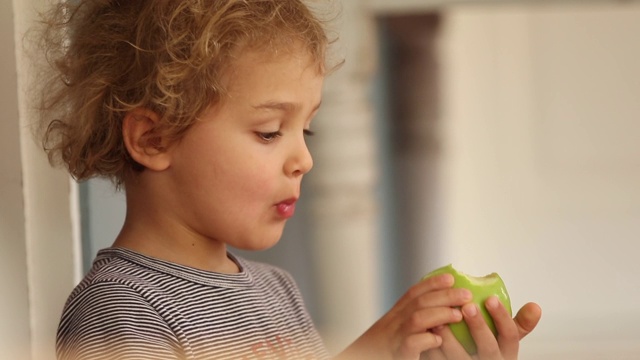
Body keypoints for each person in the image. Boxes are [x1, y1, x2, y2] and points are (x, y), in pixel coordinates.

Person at [34, 0, 541, 359]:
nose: (304, 160)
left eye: (307, 128)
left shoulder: (277, 292)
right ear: (154, 139)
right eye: (270, 131)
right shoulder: (119, 309)